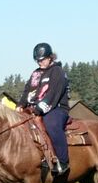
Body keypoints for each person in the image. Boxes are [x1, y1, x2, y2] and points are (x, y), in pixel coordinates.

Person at [16, 42, 70, 175]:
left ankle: (63, 161)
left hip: (56, 108)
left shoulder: (58, 72)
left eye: (42, 60)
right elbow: (27, 90)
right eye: (37, 60)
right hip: (33, 108)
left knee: (51, 125)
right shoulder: (35, 73)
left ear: (50, 57)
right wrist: (20, 105)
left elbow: (53, 94)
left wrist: (39, 109)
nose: (40, 63)